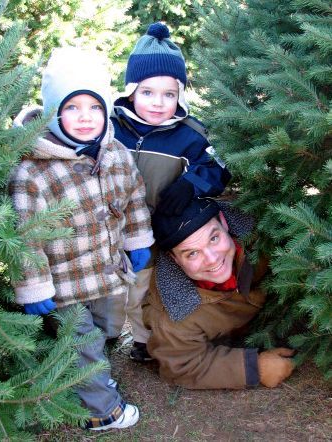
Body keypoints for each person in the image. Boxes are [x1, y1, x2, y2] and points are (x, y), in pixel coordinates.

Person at [8, 47, 155, 431]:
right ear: (55, 111)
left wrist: (137, 240)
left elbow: (134, 197)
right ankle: (100, 412)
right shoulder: (32, 170)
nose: (85, 117)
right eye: (72, 107)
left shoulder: (115, 151)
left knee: (107, 328)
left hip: (107, 273)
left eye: (94, 106)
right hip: (65, 283)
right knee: (83, 343)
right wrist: (34, 286)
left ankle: (89, 377)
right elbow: (25, 236)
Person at [111, 22, 231, 362]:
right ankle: (96, 336)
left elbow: (219, 167)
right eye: (148, 92)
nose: (158, 103)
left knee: (142, 288)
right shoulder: (110, 126)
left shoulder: (191, 134)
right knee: (106, 287)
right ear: (132, 89)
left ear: (180, 94)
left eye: (169, 94)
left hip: (151, 230)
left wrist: (190, 182)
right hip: (106, 222)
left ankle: (143, 340)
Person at [142, 198, 295, 389]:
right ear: (175, 259)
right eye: (192, 254)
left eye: (214, 238)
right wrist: (255, 368)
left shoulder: (261, 232)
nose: (213, 259)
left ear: (224, 222)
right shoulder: (173, 313)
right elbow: (182, 366)